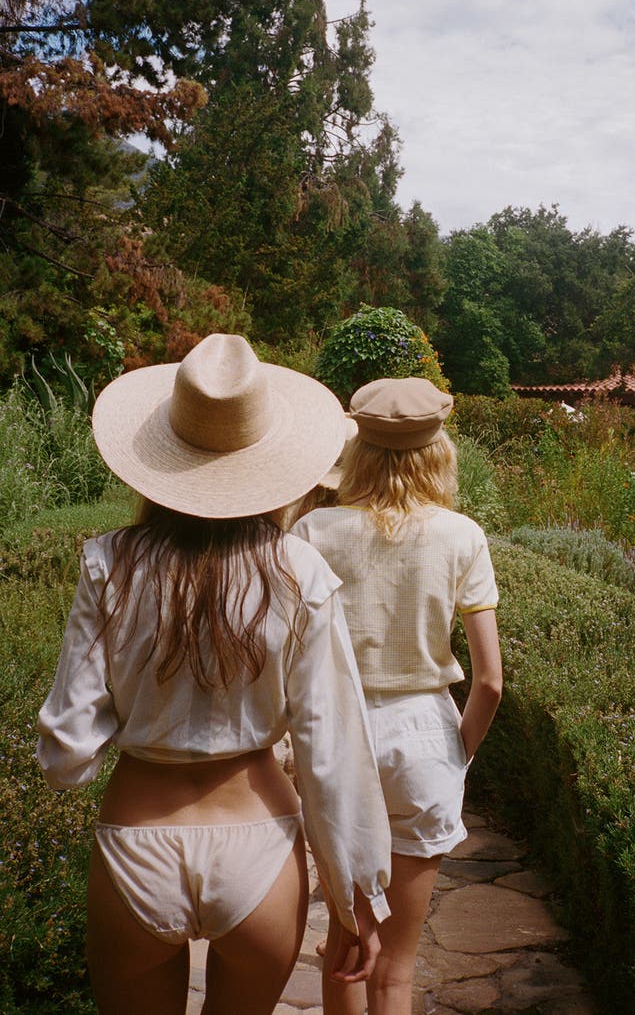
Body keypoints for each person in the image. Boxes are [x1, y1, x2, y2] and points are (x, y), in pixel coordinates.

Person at [36, 334, 392, 1015]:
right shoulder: (301, 571)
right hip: (260, 842)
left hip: (136, 837)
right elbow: (333, 751)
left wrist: (139, 697)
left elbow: (65, 756)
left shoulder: (108, 564)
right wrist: (357, 901)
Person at [292, 376, 503, 1015]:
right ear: (437, 450)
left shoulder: (312, 532)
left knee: (347, 951)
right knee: (397, 971)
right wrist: (455, 755)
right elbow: (490, 680)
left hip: (335, 736)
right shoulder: (462, 535)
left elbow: (290, 658)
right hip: (423, 737)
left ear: (357, 448)